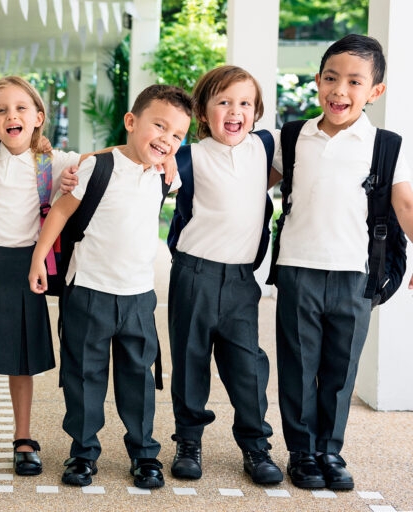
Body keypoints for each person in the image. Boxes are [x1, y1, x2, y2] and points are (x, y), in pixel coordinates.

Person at [28, 84, 192, 489]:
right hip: (88, 290)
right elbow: (62, 213)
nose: (167, 139)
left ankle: (144, 453)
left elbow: (172, 166)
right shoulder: (96, 166)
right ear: (131, 122)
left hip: (138, 295)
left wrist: (169, 160)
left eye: (177, 135)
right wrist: (38, 258)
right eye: (159, 126)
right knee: (84, 377)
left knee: (139, 379)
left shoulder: (165, 176)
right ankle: (82, 453)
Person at [270, 34, 413, 491]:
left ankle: (329, 450)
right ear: (317, 81)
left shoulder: (387, 146)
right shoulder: (293, 137)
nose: (340, 90)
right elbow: (250, 180)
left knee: (339, 370)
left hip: (356, 273)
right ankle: (301, 453)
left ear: (375, 91)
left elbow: (405, 204)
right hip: (297, 267)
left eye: (355, 81)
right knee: (298, 365)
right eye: (331, 78)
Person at [0, 76, 82, 477]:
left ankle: (23, 437)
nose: (12, 115)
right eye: (1, 110)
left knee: (22, 360)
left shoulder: (53, 162)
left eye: (22, 108)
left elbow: (99, 159)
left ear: (39, 117)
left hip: (27, 267)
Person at [166, 66, 283, 485]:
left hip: (240, 280)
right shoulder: (186, 156)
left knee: (247, 364)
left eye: (245, 103)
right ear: (202, 110)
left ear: (257, 112)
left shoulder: (267, 147)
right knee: (189, 359)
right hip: (193, 273)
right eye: (223, 102)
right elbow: (136, 160)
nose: (235, 112)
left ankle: (255, 444)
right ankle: (189, 440)